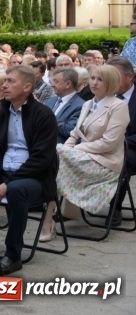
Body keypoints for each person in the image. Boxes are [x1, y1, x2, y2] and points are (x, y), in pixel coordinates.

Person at [0, 66, 58, 275]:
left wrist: (6, 184)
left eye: (11, 81)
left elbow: (41, 160)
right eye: (4, 80)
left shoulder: (43, 115)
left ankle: (13, 255)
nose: (4, 85)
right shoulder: (2, 110)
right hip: (4, 172)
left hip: (33, 177)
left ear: (27, 87)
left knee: (16, 190)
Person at [42, 65, 128, 240]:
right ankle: (48, 219)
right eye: (92, 78)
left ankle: (47, 220)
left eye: (100, 79)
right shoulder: (88, 104)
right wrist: (68, 147)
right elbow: (75, 133)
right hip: (84, 157)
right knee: (55, 157)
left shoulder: (118, 106)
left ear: (110, 83)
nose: (94, 83)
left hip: (105, 162)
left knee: (55, 158)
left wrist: (73, 149)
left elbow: (109, 143)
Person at [44, 68, 85, 144]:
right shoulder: (51, 101)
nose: (52, 85)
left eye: (56, 81)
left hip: (59, 148)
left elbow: (70, 130)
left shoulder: (81, 105)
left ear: (68, 84)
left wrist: (48, 118)